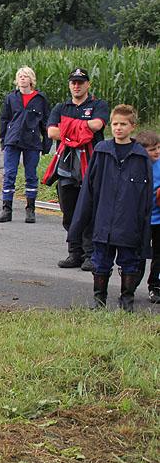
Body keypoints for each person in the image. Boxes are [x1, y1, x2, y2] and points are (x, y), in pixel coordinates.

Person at [68, 105, 151, 312]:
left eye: (123, 124)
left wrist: (144, 231)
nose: (119, 128)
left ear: (132, 126)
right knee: (100, 262)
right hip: (103, 222)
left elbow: (146, 198)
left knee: (130, 263)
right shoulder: (102, 151)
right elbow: (88, 189)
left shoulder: (141, 157)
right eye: (115, 124)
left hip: (129, 223)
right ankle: (99, 301)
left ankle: (126, 302)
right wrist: (77, 226)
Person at [45, 68, 109, 271]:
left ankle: (91, 254)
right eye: (73, 82)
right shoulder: (61, 107)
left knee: (89, 211)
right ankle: (75, 253)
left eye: (81, 82)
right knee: (69, 211)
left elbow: (97, 125)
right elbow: (51, 131)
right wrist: (82, 128)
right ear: (69, 84)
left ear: (88, 84)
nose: (77, 85)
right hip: (65, 167)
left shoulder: (98, 105)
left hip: (91, 166)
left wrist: (68, 128)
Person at [0, 66, 51, 223]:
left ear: (31, 80)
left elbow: (46, 121)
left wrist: (46, 143)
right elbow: (4, 119)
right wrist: (3, 140)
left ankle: (30, 209)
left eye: (26, 76)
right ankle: (7, 209)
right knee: (9, 174)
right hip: (12, 141)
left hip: (32, 142)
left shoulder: (40, 99)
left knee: (31, 175)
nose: (22, 78)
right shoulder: (11, 98)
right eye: (20, 76)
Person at [134, 130, 160, 304]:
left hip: (158, 220)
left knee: (158, 254)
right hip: (140, 220)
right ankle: (130, 284)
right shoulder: (135, 166)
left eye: (158, 148)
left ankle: (155, 286)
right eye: (152, 149)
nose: (157, 152)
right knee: (138, 255)